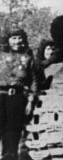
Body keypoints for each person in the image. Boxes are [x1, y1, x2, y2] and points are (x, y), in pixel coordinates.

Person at [0, 29, 36, 160]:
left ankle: (9, 156)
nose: (17, 41)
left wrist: (31, 101)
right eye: (13, 38)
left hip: (16, 97)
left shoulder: (28, 58)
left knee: (12, 130)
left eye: (19, 38)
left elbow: (33, 81)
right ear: (7, 40)